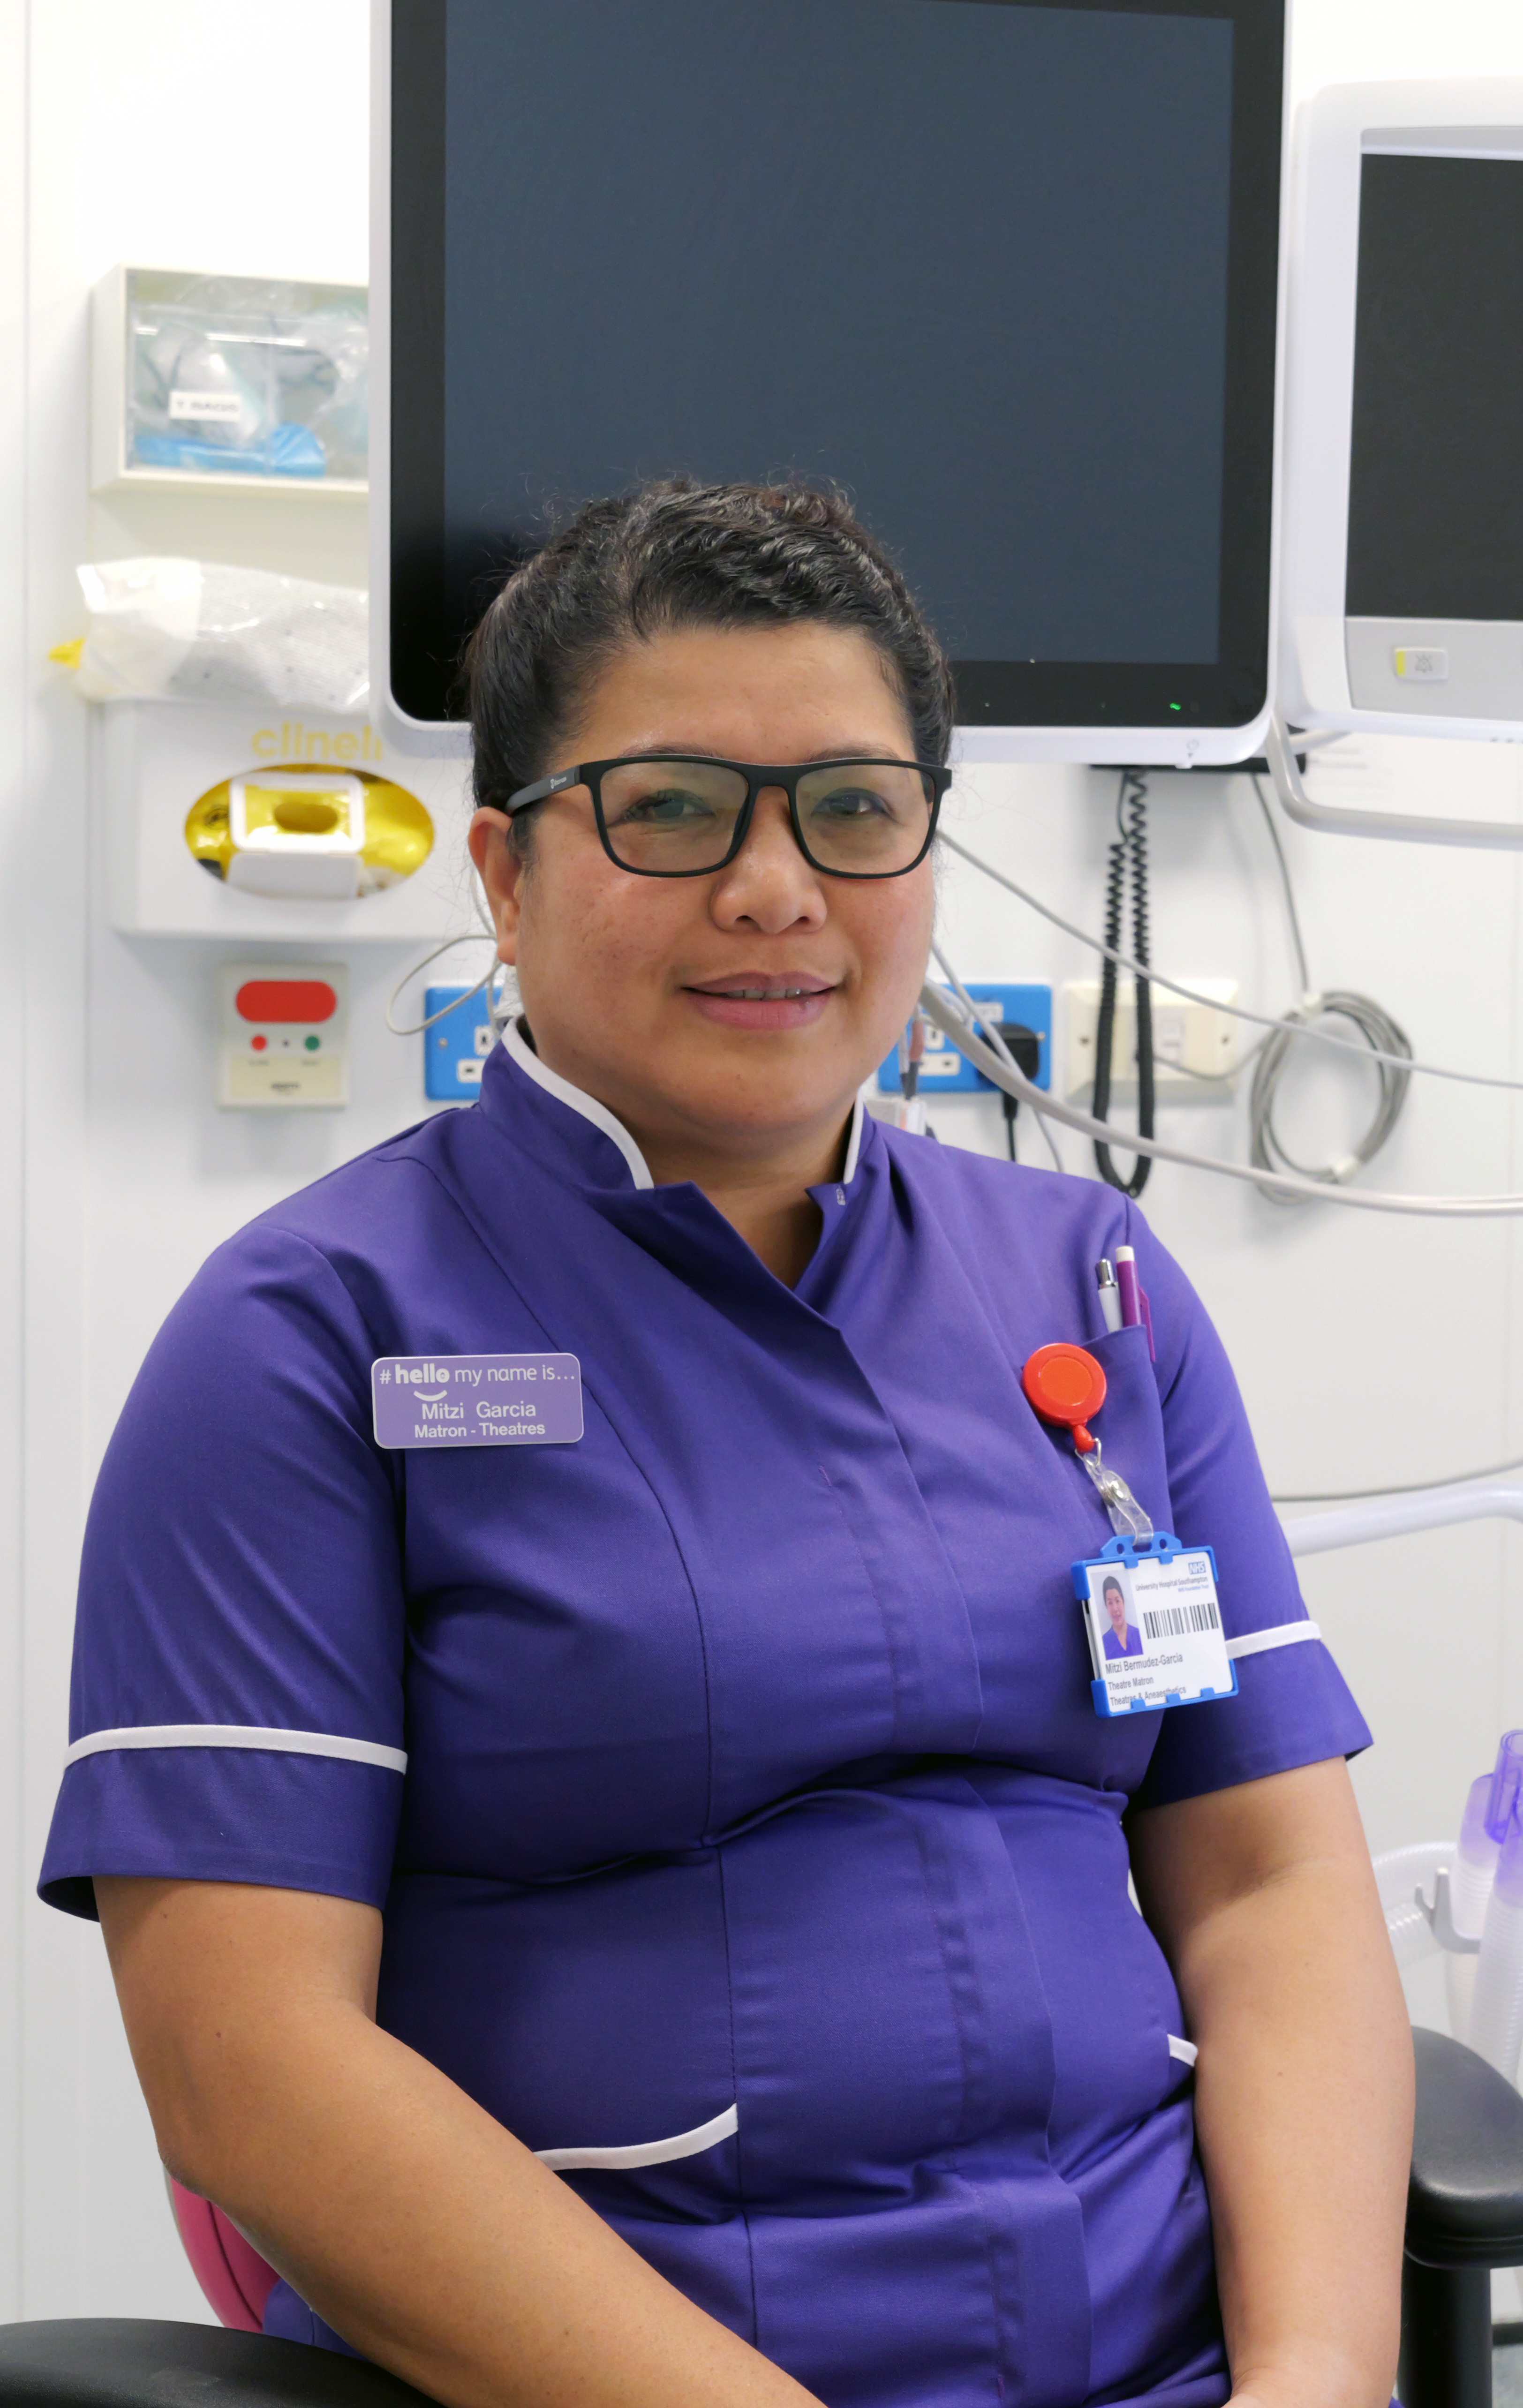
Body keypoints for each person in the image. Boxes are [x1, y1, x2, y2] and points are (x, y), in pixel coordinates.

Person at [41, 481, 1411, 2408]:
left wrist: (1315, 2381)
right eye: (671, 809)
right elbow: (243, 2060)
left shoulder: (1085, 1286)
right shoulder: (314, 1336)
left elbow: (1271, 1887)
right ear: (503, 874)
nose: (777, 890)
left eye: (851, 810)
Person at [1100, 1571, 1144, 1661]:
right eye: (1110, 1603)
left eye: (1118, 1601)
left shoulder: (1139, 1636)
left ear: (1123, 1602)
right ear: (1106, 1607)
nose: (1115, 1609)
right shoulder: (1103, 1643)